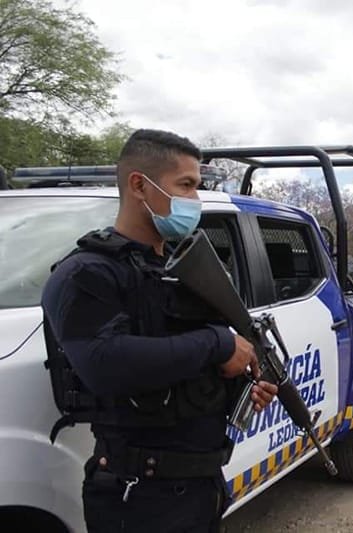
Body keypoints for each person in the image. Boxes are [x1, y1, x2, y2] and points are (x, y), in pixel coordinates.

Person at [40, 129, 278, 532]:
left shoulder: (187, 271)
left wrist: (241, 382)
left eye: (197, 187)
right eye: (185, 185)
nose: (195, 199)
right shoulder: (85, 272)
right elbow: (102, 363)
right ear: (139, 185)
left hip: (202, 486)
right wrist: (218, 344)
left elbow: (187, 361)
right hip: (138, 497)